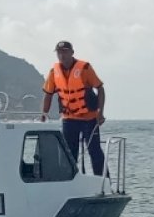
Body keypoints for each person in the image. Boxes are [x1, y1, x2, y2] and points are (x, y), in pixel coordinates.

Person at [41, 40, 106, 176]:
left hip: (89, 118)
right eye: (59, 52)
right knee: (69, 153)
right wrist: (44, 114)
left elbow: (100, 89)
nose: (62, 55)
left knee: (94, 150)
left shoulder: (85, 68)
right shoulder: (54, 72)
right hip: (69, 119)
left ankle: (103, 182)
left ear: (72, 52)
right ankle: (71, 183)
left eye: (65, 52)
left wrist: (100, 112)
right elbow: (48, 94)